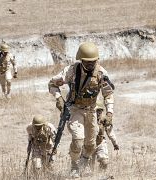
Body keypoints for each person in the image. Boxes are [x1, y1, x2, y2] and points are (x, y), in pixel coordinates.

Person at [48, 42, 115, 178]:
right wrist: (59, 98)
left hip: (91, 110)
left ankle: (83, 163)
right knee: (78, 139)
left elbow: (108, 94)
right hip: (75, 109)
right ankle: (74, 166)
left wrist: (109, 113)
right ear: (81, 60)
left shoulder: (101, 73)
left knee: (91, 145)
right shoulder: (71, 71)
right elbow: (52, 84)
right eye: (87, 62)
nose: (91, 65)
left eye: (93, 62)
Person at [91, 106, 119, 170]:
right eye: (97, 111)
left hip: (100, 142)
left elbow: (110, 132)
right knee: (88, 167)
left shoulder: (104, 120)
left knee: (104, 162)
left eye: (100, 111)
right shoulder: (86, 119)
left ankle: (101, 175)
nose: (99, 113)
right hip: (88, 143)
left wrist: (115, 143)